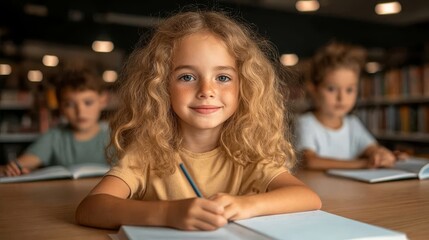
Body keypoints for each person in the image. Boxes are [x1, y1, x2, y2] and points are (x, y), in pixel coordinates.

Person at [75, 10, 321, 231]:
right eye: (187, 77)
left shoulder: (249, 154)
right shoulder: (148, 153)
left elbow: (307, 197)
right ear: (162, 87)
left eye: (223, 77)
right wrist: (168, 213)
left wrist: (243, 205)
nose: (206, 90)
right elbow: (91, 208)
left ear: (244, 87)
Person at [295, 41, 405, 170]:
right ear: (313, 89)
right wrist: (363, 164)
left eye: (349, 90)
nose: (341, 98)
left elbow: (371, 148)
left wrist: (382, 155)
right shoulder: (305, 123)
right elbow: (309, 161)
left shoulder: (353, 123)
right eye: (331, 89)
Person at [0, 68, 110, 176]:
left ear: (103, 100)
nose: (80, 112)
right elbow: (20, 164)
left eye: (88, 102)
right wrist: (12, 169)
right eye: (69, 105)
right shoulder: (53, 137)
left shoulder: (115, 135)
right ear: (60, 107)